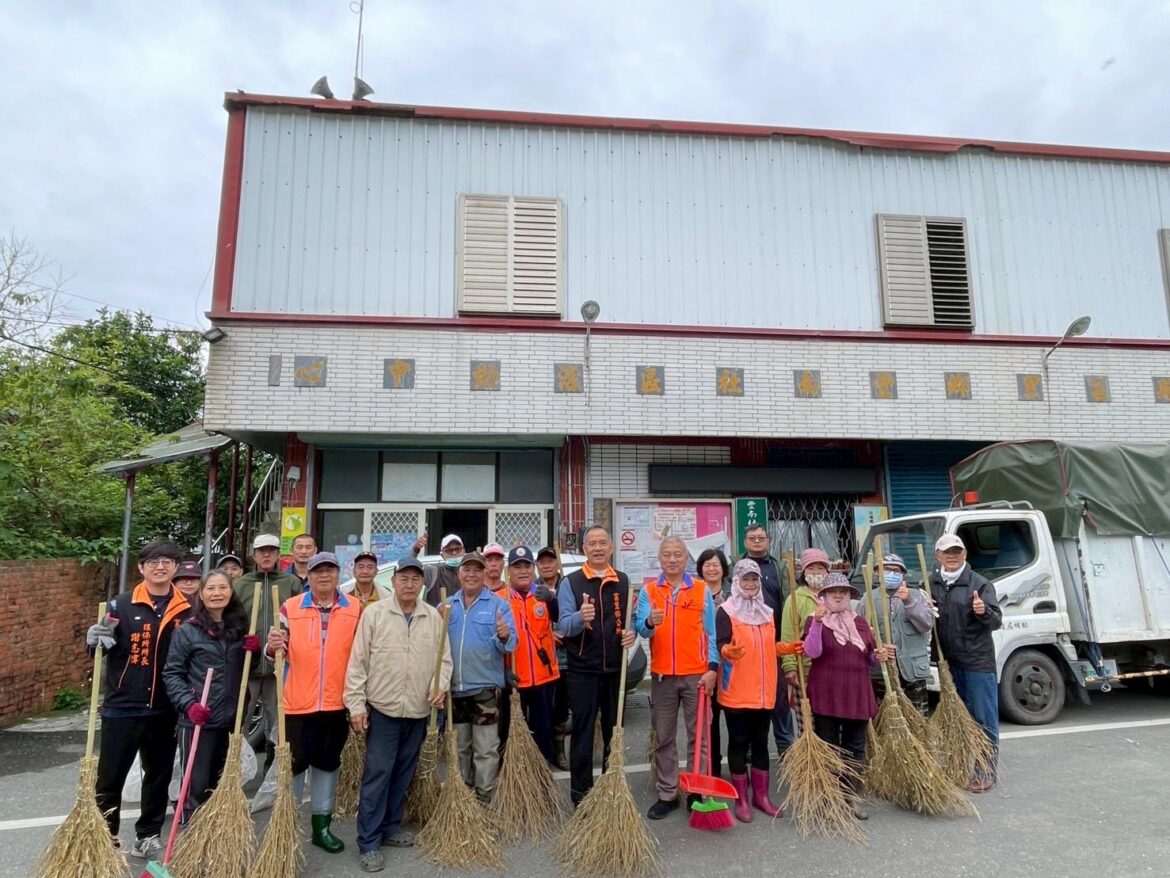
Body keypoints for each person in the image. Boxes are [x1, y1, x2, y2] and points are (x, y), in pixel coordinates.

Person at [345, 557, 451, 873]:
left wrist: (440, 686)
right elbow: (358, 661)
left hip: (418, 710)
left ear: (423, 584)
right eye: (403, 578)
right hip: (383, 709)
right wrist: (356, 705)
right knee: (378, 774)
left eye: (415, 579)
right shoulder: (375, 614)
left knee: (403, 773)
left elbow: (444, 661)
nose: (409, 584)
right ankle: (369, 842)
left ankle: (390, 828)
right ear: (393, 582)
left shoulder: (432, 617)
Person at [88, 539, 192, 860]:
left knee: (158, 776)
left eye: (167, 562)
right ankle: (105, 838)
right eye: (153, 562)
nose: (160, 567)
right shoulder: (120, 605)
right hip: (123, 706)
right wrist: (95, 639)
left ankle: (147, 835)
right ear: (141, 568)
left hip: (165, 707)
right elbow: (99, 646)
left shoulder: (188, 609)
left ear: (175, 568)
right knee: (109, 778)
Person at [266, 552, 361, 853]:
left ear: (338, 574)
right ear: (308, 575)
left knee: (328, 764)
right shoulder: (291, 607)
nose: (324, 576)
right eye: (317, 571)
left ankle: (322, 827)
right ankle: (288, 826)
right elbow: (274, 653)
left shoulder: (354, 608)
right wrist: (272, 646)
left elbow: (362, 655)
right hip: (297, 704)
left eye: (329, 570)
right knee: (293, 766)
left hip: (336, 703)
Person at [162, 569, 261, 822]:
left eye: (223, 587)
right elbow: (172, 674)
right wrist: (189, 705)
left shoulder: (238, 628)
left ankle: (216, 835)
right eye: (211, 588)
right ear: (202, 594)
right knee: (195, 786)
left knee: (221, 784)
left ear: (231, 592)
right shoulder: (188, 631)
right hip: (199, 720)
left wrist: (254, 652)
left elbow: (245, 670)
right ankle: (191, 832)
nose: (217, 593)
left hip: (231, 719)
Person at [634, 536, 719, 819]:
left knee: (700, 736)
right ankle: (668, 793)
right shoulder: (649, 591)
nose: (672, 559)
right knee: (664, 737)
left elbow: (712, 633)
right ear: (659, 558)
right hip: (662, 677)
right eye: (667, 554)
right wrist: (649, 622)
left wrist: (712, 668)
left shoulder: (701, 589)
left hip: (697, 674)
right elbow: (641, 629)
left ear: (686, 559)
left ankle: (697, 789)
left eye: (677, 554)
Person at [716, 559, 804, 822]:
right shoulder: (726, 611)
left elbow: (769, 646)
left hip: (764, 691)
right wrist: (726, 650)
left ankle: (762, 797)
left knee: (761, 744)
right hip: (737, 690)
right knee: (738, 743)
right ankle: (741, 798)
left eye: (754, 579)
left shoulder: (767, 612)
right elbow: (720, 643)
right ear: (736, 581)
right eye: (745, 579)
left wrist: (785, 648)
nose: (751, 583)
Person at [556, 526, 635, 806]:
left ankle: (611, 790)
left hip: (615, 670)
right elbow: (564, 626)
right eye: (592, 543)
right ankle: (582, 796)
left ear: (611, 547)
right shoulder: (571, 582)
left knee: (615, 732)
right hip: (583, 671)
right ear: (584, 549)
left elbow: (630, 623)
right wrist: (580, 616)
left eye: (603, 543)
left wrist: (631, 634)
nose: (598, 548)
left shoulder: (623, 581)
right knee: (583, 732)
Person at [802, 572, 890, 820]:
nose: (839, 596)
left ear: (850, 596)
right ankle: (829, 799)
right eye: (833, 592)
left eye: (843, 592)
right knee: (829, 747)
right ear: (824, 596)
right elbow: (811, 652)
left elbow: (870, 657)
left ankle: (850, 797)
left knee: (855, 748)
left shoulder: (860, 623)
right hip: (827, 693)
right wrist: (818, 623)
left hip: (857, 693)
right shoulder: (814, 620)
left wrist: (879, 656)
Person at [233, 533, 301, 812]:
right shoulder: (241, 584)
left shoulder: (290, 582)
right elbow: (231, 621)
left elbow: (297, 621)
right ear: (254, 554)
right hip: (247, 667)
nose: (266, 555)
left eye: (271, 551)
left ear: (278, 555)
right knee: (238, 721)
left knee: (278, 724)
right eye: (262, 551)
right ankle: (232, 778)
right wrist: (240, 643)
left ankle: (273, 776)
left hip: (277, 668)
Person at [929, 533, 1002, 792]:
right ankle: (959, 766)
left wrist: (984, 612)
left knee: (983, 718)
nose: (952, 556)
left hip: (976, 661)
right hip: (948, 662)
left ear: (965, 554)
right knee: (958, 718)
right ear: (938, 555)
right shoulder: (931, 583)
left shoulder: (979, 584)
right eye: (946, 552)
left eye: (956, 551)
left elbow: (996, 621)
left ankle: (985, 772)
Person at [446, 552, 517, 802]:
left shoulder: (498, 605)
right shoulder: (447, 606)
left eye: (477, 570)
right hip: (455, 688)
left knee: (486, 748)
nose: (472, 575)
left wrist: (505, 635)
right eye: (467, 570)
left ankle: (484, 796)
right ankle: (462, 798)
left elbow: (511, 644)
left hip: (485, 688)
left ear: (485, 573)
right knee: (459, 747)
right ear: (459, 574)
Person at [737, 523, 795, 757]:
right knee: (751, 697)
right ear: (745, 542)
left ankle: (786, 749)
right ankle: (752, 749)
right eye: (752, 538)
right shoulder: (737, 566)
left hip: (775, 642)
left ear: (768, 540)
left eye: (761, 537)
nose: (757, 541)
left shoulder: (778, 567)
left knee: (780, 698)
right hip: (747, 645)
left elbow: (787, 600)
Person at [501, 546, 561, 765]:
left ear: (533, 568)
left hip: (543, 677)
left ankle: (542, 770)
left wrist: (552, 601)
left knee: (543, 731)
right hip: (514, 678)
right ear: (509, 570)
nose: (523, 571)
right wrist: (502, 670)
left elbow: (560, 619)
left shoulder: (543, 595)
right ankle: (515, 771)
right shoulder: (500, 598)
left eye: (527, 566)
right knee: (511, 732)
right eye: (517, 566)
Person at [859, 552, 934, 716]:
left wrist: (909, 602)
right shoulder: (867, 599)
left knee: (917, 719)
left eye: (896, 570)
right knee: (884, 719)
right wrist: (877, 644)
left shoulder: (917, 595)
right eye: (887, 570)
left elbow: (926, 625)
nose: (891, 574)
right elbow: (859, 635)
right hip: (881, 672)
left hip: (912, 671)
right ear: (877, 572)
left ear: (903, 574)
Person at [780, 547, 831, 733]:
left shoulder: (834, 595)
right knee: (808, 724)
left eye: (820, 568)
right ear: (804, 571)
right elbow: (788, 634)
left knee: (830, 724)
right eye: (811, 568)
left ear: (828, 571)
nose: (816, 572)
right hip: (806, 670)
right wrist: (790, 666)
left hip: (831, 670)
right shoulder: (795, 598)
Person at [696, 547, 730, 777]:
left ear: (723, 568)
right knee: (709, 718)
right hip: (705, 663)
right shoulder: (696, 593)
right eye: (707, 564)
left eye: (715, 564)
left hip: (731, 664)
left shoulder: (733, 594)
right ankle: (712, 767)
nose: (711, 568)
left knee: (735, 717)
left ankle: (739, 766)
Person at [536, 545, 570, 770]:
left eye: (550, 561)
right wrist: (549, 634)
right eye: (542, 562)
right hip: (542, 660)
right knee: (544, 709)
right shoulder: (533, 588)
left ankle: (559, 750)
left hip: (566, 660)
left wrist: (567, 633)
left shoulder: (568, 586)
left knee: (561, 708)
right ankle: (544, 752)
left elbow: (575, 615)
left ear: (557, 563)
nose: (546, 565)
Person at [416, 533, 464, 607]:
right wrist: (415, 550)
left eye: (457, 549)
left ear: (463, 551)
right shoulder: (432, 572)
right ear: (442, 555)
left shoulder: (471, 573)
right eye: (449, 550)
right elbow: (408, 571)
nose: (454, 553)